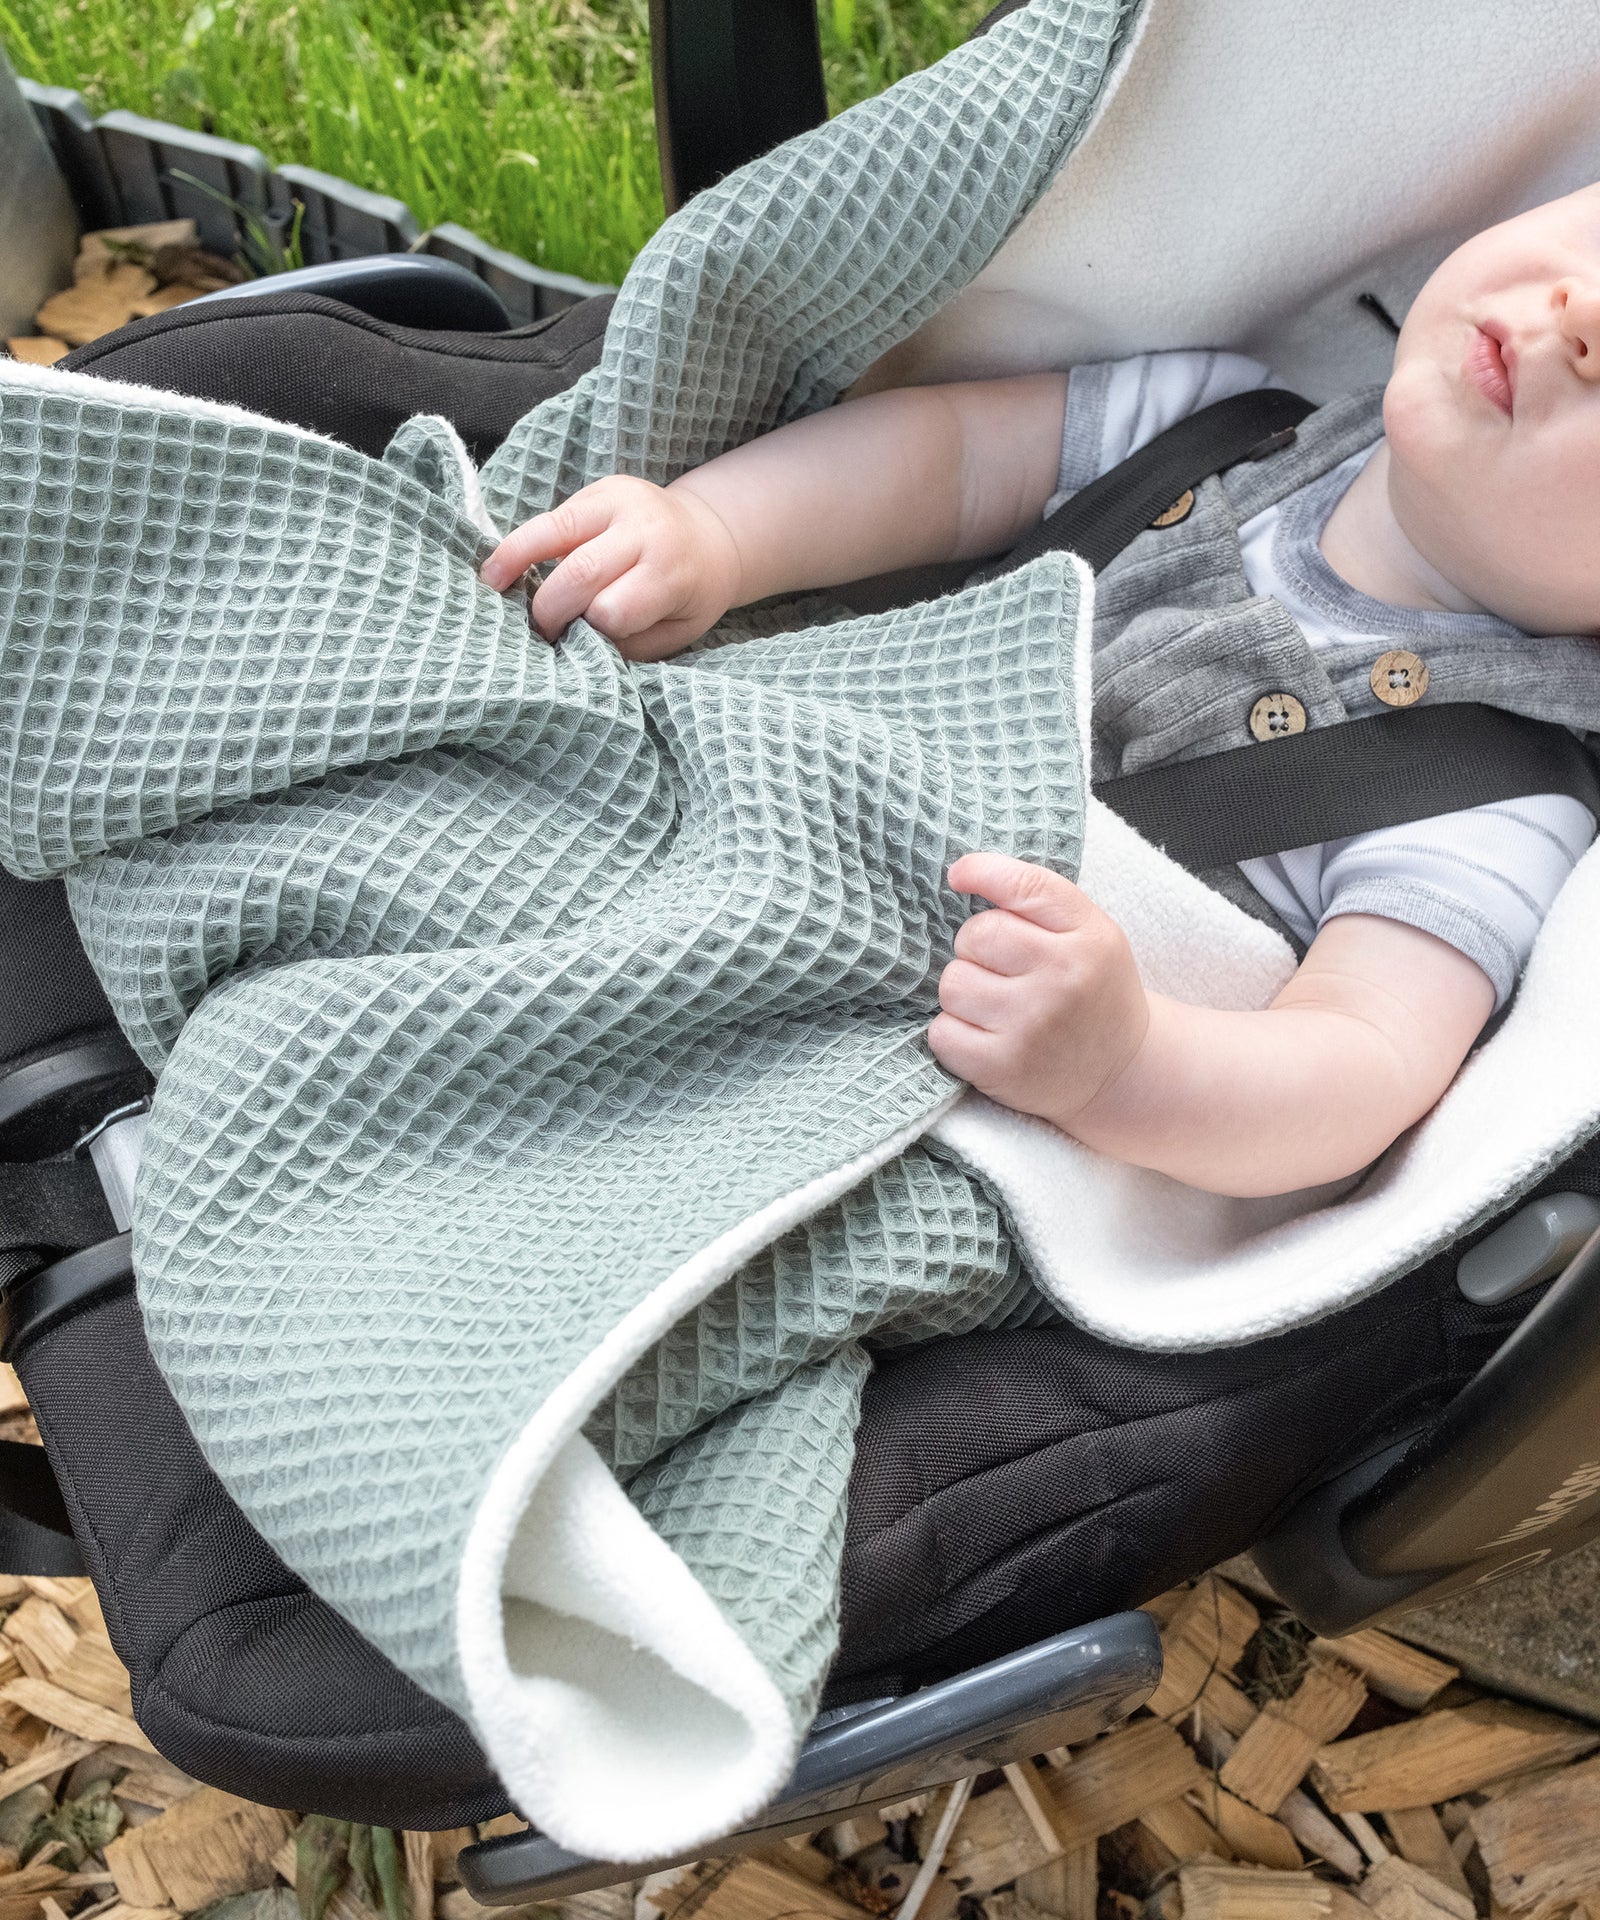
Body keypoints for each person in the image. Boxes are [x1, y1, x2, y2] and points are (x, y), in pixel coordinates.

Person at [478, 186, 1600, 1200]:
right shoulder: (1224, 426)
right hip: (748, 801)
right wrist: (716, 534)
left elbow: (1362, 1067)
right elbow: (952, 460)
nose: (1581, 312)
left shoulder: (1486, 798)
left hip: (920, 1085)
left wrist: (1123, 1063)